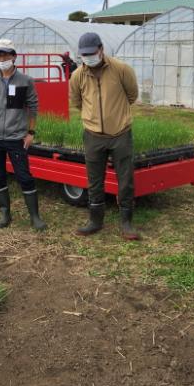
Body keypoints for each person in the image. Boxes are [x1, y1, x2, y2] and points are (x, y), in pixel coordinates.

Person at [70, 32, 141, 241]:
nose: (88, 57)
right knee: (94, 180)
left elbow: (132, 95)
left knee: (125, 178)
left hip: (120, 133)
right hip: (93, 135)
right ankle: (95, 220)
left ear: (101, 49)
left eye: (92, 53)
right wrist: (92, 119)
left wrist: (116, 115)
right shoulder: (78, 75)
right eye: (84, 54)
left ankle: (127, 222)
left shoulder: (121, 69)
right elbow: (77, 102)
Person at [0, 39, 46, 230]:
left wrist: (31, 132)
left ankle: (35, 216)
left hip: (17, 138)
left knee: (24, 176)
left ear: (14, 56)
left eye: (6, 54)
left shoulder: (25, 81)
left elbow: (33, 107)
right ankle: (4, 213)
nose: (2, 58)